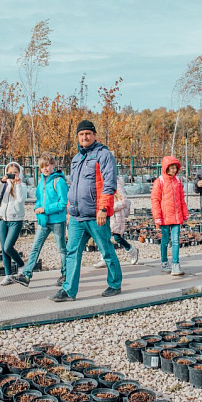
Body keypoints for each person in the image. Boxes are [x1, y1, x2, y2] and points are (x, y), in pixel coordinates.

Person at [52, 120, 122, 302]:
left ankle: (115, 284)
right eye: (81, 134)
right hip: (77, 215)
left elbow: (109, 184)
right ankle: (69, 290)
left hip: (96, 214)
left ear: (94, 135)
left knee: (106, 249)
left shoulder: (103, 155)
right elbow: (73, 186)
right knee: (72, 252)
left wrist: (103, 208)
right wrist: (69, 209)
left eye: (88, 134)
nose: (84, 137)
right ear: (78, 137)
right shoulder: (76, 159)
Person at [13, 153, 68, 287]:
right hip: (43, 221)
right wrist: (38, 210)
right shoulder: (41, 181)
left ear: (53, 165)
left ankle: (66, 274)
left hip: (57, 221)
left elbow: (63, 203)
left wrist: (45, 209)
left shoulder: (58, 181)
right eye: (43, 166)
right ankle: (26, 275)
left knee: (61, 249)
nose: (45, 169)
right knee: (35, 248)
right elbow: (38, 200)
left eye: (48, 165)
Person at [0, 162, 28, 286]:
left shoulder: (22, 186)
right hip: (2, 219)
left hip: (15, 220)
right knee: (3, 249)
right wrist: (2, 181)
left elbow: (21, 200)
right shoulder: (4, 185)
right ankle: (8, 275)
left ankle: (22, 265)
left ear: (19, 173)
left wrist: (16, 184)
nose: (12, 175)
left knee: (8, 247)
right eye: (10, 173)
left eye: (15, 173)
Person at [151, 155, 189, 276]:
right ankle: (164, 261)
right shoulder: (160, 181)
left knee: (176, 241)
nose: (174, 170)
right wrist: (157, 217)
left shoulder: (178, 181)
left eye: (175, 168)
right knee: (165, 240)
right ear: (166, 168)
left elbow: (181, 199)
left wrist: (185, 213)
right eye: (171, 168)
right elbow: (155, 200)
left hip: (177, 217)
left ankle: (176, 265)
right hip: (164, 217)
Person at [93, 176, 139, 268]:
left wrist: (109, 207)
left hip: (115, 215)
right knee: (103, 236)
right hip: (105, 214)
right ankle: (104, 258)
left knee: (117, 237)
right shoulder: (99, 181)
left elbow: (123, 201)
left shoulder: (116, 183)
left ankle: (132, 251)